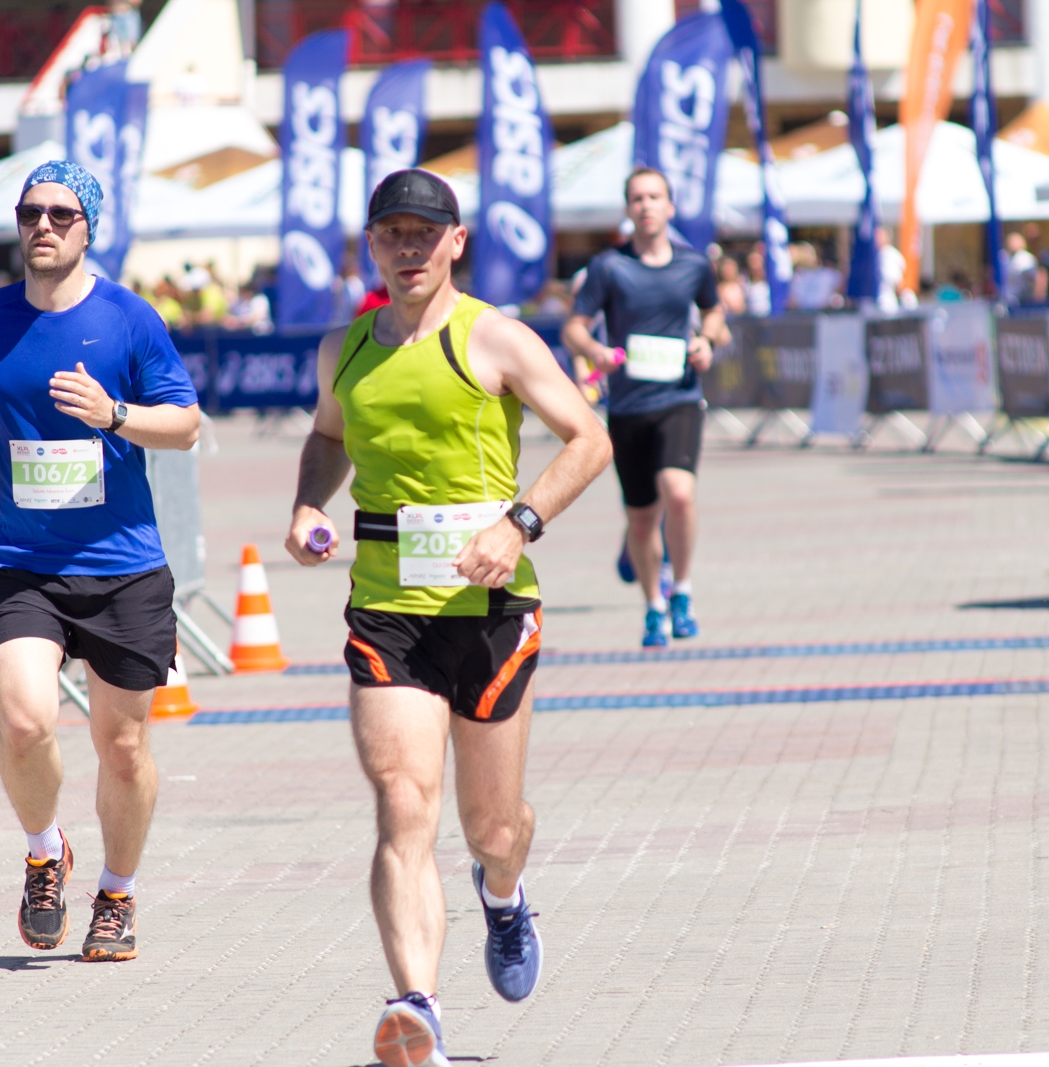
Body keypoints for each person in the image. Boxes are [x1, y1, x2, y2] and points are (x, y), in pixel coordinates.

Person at [284, 169, 610, 1067]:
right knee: (401, 801)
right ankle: (416, 1003)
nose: (408, 247)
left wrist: (520, 523)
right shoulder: (344, 349)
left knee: (493, 830)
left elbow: (590, 438)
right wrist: (310, 506)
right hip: (387, 609)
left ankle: (501, 897)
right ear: (373, 245)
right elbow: (327, 437)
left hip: (491, 610)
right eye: (391, 232)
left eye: (425, 233)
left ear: (455, 242)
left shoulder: (495, 338)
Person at [0, 160, 201, 963]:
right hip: (23, 561)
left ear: (89, 226)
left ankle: (117, 895)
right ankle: (45, 851)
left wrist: (115, 413)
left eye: (60, 214)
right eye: (30, 214)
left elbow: (186, 424)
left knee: (122, 748)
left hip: (122, 563)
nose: (43, 227)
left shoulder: (129, 320)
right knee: (23, 722)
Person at [562, 167, 729, 648]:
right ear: (628, 209)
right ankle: (654, 606)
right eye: (637, 198)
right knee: (641, 516)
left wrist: (705, 340)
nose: (646, 205)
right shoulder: (609, 266)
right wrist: (593, 352)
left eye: (655, 197)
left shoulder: (694, 264)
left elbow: (714, 312)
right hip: (629, 406)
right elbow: (576, 325)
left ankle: (683, 592)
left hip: (679, 397)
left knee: (678, 493)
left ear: (670, 207)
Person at [1004, 233, 1038, 304]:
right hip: (1008, 297)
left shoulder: (1025, 257)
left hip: (1023, 298)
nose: (1011, 244)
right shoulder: (1005, 256)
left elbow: (1031, 277)